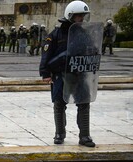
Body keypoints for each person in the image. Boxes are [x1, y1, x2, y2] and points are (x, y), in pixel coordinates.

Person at [40, 0, 96, 147]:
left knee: (84, 103)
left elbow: (92, 51)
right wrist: (45, 73)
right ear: (70, 16)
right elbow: (46, 54)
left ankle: (84, 136)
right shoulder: (56, 34)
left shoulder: (84, 33)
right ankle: (59, 134)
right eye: (79, 16)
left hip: (79, 74)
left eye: (83, 16)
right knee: (59, 104)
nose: (82, 19)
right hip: (61, 75)